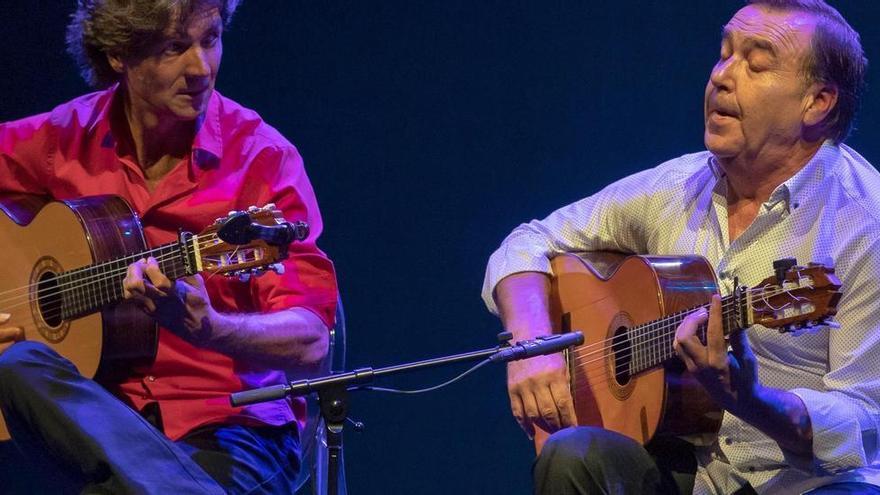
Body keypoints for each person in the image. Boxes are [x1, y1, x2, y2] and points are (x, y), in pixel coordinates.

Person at [482, 1, 880, 494]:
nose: (721, 76)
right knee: (575, 457)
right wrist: (532, 349)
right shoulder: (676, 186)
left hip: (809, 483)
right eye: (723, 54)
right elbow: (528, 242)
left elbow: (869, 418)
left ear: (817, 102)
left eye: (755, 64)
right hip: (686, 468)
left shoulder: (867, 224)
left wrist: (750, 399)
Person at [0, 0, 338, 492]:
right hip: (102, 422)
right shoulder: (64, 138)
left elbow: (311, 340)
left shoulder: (262, 158)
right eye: (175, 48)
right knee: (17, 367)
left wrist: (213, 329)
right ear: (121, 55)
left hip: (233, 432)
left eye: (211, 39)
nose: (201, 68)